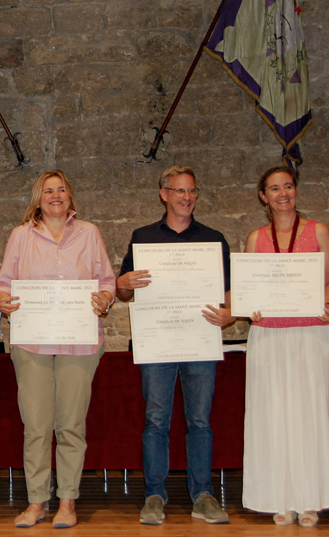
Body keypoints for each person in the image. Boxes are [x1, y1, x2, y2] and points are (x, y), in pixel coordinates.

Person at [0, 170, 115, 529]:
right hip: (33, 341)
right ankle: (36, 502)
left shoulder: (89, 233)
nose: (55, 195)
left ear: (70, 197)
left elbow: (107, 280)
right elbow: (3, 284)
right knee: (37, 426)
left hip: (80, 341)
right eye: (48, 190)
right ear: (38, 198)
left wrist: (104, 297)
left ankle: (68, 502)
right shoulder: (20, 235)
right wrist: (1, 300)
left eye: (61, 190)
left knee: (71, 425)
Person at [116, 165, 234, 525]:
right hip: (158, 344)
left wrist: (230, 314)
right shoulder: (143, 237)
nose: (187, 197)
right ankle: (154, 495)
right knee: (156, 420)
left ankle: (202, 495)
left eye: (192, 191)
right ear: (164, 194)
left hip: (199, 341)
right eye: (180, 191)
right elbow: (122, 292)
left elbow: (229, 291)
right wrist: (123, 281)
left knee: (200, 421)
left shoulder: (214, 239)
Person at [241, 166, 329, 527]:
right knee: (273, 417)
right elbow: (249, 291)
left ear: (296, 190)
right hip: (268, 336)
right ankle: (280, 496)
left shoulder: (318, 231)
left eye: (287, 186)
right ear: (263, 196)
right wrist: (249, 307)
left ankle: (311, 498)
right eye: (274, 188)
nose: (282, 194)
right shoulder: (255, 239)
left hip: (311, 335)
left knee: (311, 416)